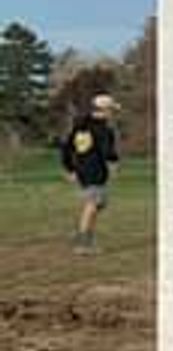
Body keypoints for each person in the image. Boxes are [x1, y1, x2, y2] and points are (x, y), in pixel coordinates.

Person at [58, 92, 120, 252]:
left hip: (82, 170)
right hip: (95, 170)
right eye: (111, 110)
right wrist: (113, 163)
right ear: (105, 110)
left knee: (98, 203)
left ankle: (82, 234)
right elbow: (108, 151)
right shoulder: (104, 129)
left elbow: (66, 148)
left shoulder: (79, 126)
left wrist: (69, 168)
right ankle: (83, 241)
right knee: (93, 204)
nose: (112, 114)